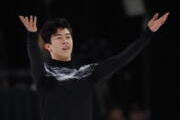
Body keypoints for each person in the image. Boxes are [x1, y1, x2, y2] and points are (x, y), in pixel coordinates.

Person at [18, 12, 169, 120]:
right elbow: (35, 60)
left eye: (68, 36)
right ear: (48, 46)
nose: (65, 41)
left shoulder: (87, 73)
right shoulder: (45, 74)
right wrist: (31, 37)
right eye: (59, 38)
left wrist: (147, 34)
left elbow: (121, 59)